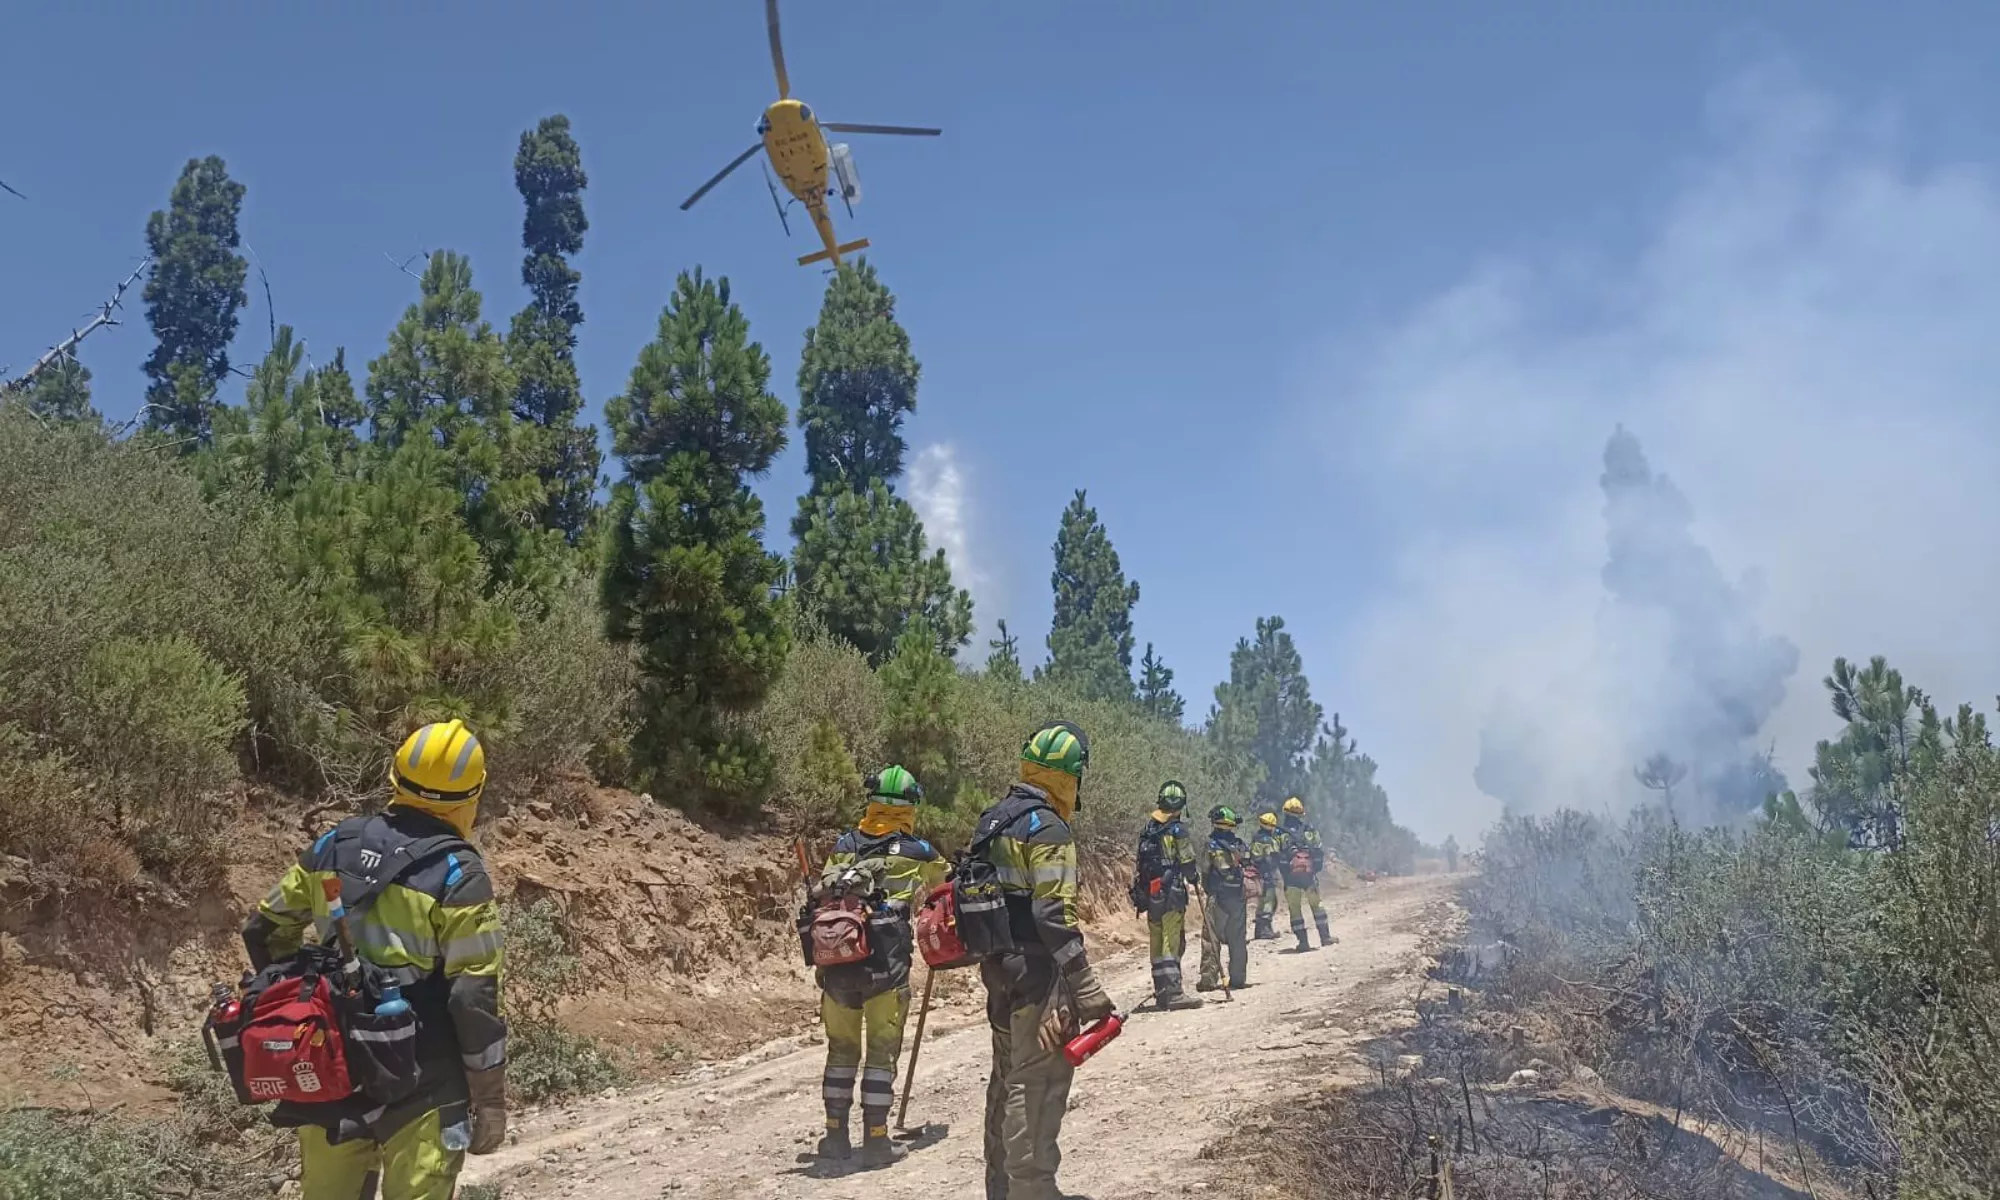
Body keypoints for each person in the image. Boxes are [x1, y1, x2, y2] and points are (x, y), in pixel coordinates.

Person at [242, 719, 508, 1200]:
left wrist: (303, 1000)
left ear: (395, 780)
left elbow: (264, 928)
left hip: (331, 1068)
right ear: (474, 796)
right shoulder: (458, 875)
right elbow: (471, 997)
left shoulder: (333, 845)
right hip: (424, 1076)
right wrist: (489, 1100)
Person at [976, 721, 1117, 1200]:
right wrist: (1086, 986)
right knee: (1036, 1085)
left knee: (1006, 1081)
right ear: (1067, 776)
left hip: (998, 973)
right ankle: (1033, 1191)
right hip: (1037, 978)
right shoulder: (1048, 828)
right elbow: (1054, 912)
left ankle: (1002, 1188)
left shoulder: (993, 820)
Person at [813, 765, 946, 1167]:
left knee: (841, 1051)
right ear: (910, 806)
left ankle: (835, 1137)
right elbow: (945, 885)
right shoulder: (918, 850)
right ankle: (876, 1140)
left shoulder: (844, 845)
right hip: (886, 970)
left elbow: (824, 887)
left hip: (836, 968)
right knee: (881, 1053)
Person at [1130, 781, 1203, 1010]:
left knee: (1156, 942)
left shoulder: (1148, 829)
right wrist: (1194, 878)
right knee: (1172, 942)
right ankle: (1174, 993)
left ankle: (1161, 992)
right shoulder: (1177, 830)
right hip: (1171, 892)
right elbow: (1188, 862)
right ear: (1181, 805)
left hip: (1150, 894)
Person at [1195, 805, 1249, 994]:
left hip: (1217, 897)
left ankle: (1209, 979)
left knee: (1211, 937)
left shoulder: (1210, 845)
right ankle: (1239, 978)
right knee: (1237, 938)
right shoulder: (1241, 846)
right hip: (1238, 897)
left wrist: (1208, 888)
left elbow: (1204, 870)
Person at [1278, 796, 1334, 952]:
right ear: (1301, 814)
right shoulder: (1310, 830)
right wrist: (1314, 870)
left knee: (1295, 910)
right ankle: (1325, 937)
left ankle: (1303, 943)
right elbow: (1318, 850)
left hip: (1291, 878)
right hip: (1309, 877)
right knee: (1317, 906)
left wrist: (1285, 873)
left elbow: (1276, 855)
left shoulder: (1279, 833)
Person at [1248, 811, 1284, 941]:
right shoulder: (1268, 840)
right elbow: (1270, 857)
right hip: (1267, 874)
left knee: (1263, 902)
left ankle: (1259, 931)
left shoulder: (1256, 837)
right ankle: (1265, 931)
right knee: (1269, 902)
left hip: (1260, 874)